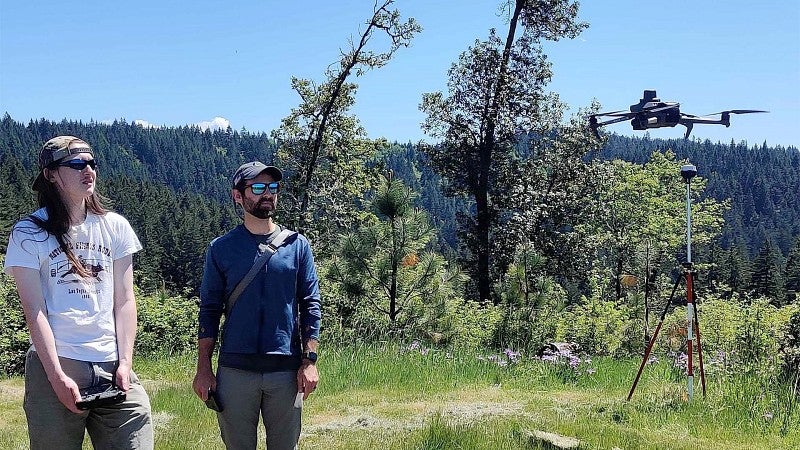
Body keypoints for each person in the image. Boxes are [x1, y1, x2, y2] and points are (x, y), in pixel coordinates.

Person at [4, 136, 154, 449]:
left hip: (112, 365)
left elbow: (125, 301)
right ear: (51, 174)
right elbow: (35, 310)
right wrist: (56, 377)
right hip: (57, 364)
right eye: (75, 164)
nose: (88, 170)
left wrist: (125, 362)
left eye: (91, 163)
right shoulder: (28, 232)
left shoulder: (115, 226)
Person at [193, 161, 321, 450]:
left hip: (285, 372)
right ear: (238, 196)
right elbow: (209, 310)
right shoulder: (221, 248)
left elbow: (310, 305)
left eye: (273, 187)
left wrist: (309, 362)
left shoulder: (297, 246)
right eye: (258, 187)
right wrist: (203, 369)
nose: (268, 194)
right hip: (235, 371)